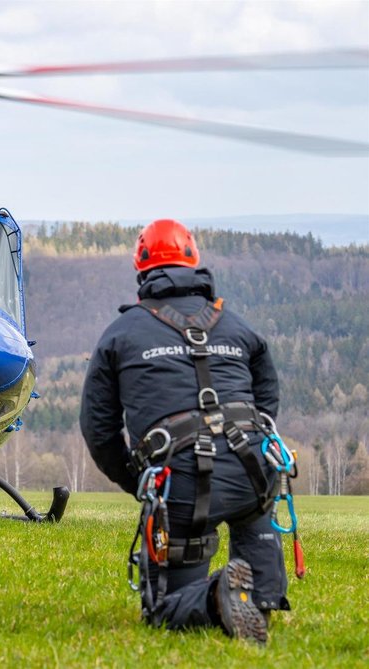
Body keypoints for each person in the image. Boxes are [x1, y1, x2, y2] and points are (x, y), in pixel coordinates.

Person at [79, 219, 288, 644]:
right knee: (255, 506)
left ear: (142, 270)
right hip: (255, 475)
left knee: (163, 609)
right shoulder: (238, 326)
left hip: (184, 486)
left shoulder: (120, 334)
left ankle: (215, 597)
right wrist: (251, 443)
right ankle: (262, 595)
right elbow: (267, 395)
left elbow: (98, 429)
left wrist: (139, 481)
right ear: (194, 263)